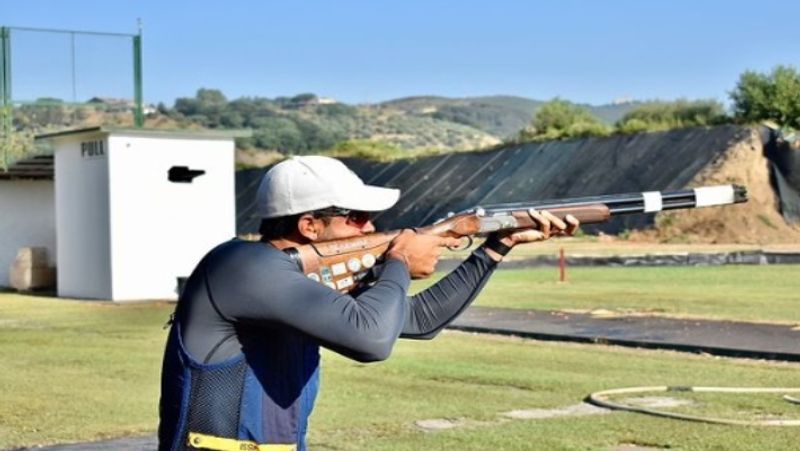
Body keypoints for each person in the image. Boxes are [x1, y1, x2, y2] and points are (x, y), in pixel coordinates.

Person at [158, 155, 578, 451]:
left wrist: (494, 249)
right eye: (357, 217)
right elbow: (372, 341)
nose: (372, 227)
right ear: (309, 225)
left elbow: (418, 319)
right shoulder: (241, 265)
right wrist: (398, 260)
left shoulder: (290, 279)